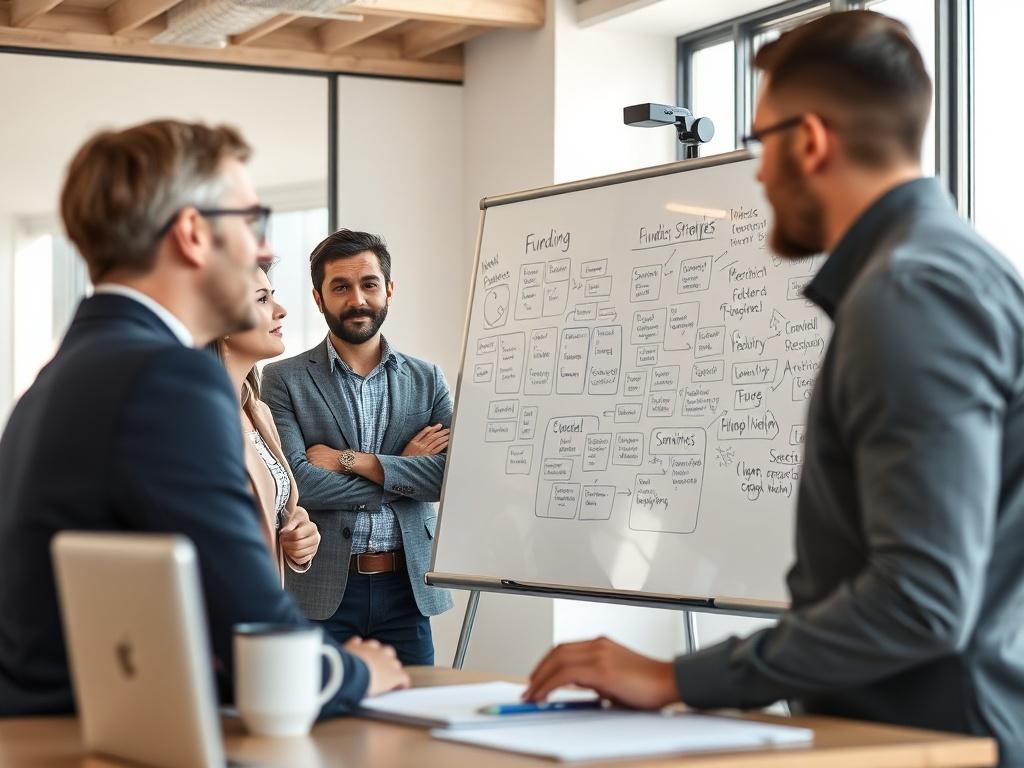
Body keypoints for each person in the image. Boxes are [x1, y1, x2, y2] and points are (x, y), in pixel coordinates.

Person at [524, 11, 1024, 764]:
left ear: (812, 140)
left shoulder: (911, 294)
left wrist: (676, 675)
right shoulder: (950, 273)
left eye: (762, 141)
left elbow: (922, 599)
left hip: (929, 742)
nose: (756, 172)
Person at [0, 120, 408, 717]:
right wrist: (357, 672)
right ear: (192, 233)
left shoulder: (62, 375)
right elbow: (258, 647)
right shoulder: (169, 378)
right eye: (251, 223)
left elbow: (180, 628)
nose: (264, 249)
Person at [262, 229, 454, 666]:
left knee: (413, 723)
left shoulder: (427, 379)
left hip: (407, 591)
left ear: (388, 289)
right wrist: (403, 471)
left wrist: (354, 462)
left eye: (369, 284)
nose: (357, 299)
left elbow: (449, 478)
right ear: (318, 297)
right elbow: (299, 484)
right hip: (324, 589)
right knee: (323, 723)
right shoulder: (282, 379)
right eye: (340, 287)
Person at [210, 265, 321, 582]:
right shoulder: (196, 422)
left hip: (267, 604)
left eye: (274, 296)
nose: (281, 311)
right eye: (262, 299)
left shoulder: (258, 412)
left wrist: (299, 531)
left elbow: (271, 512)